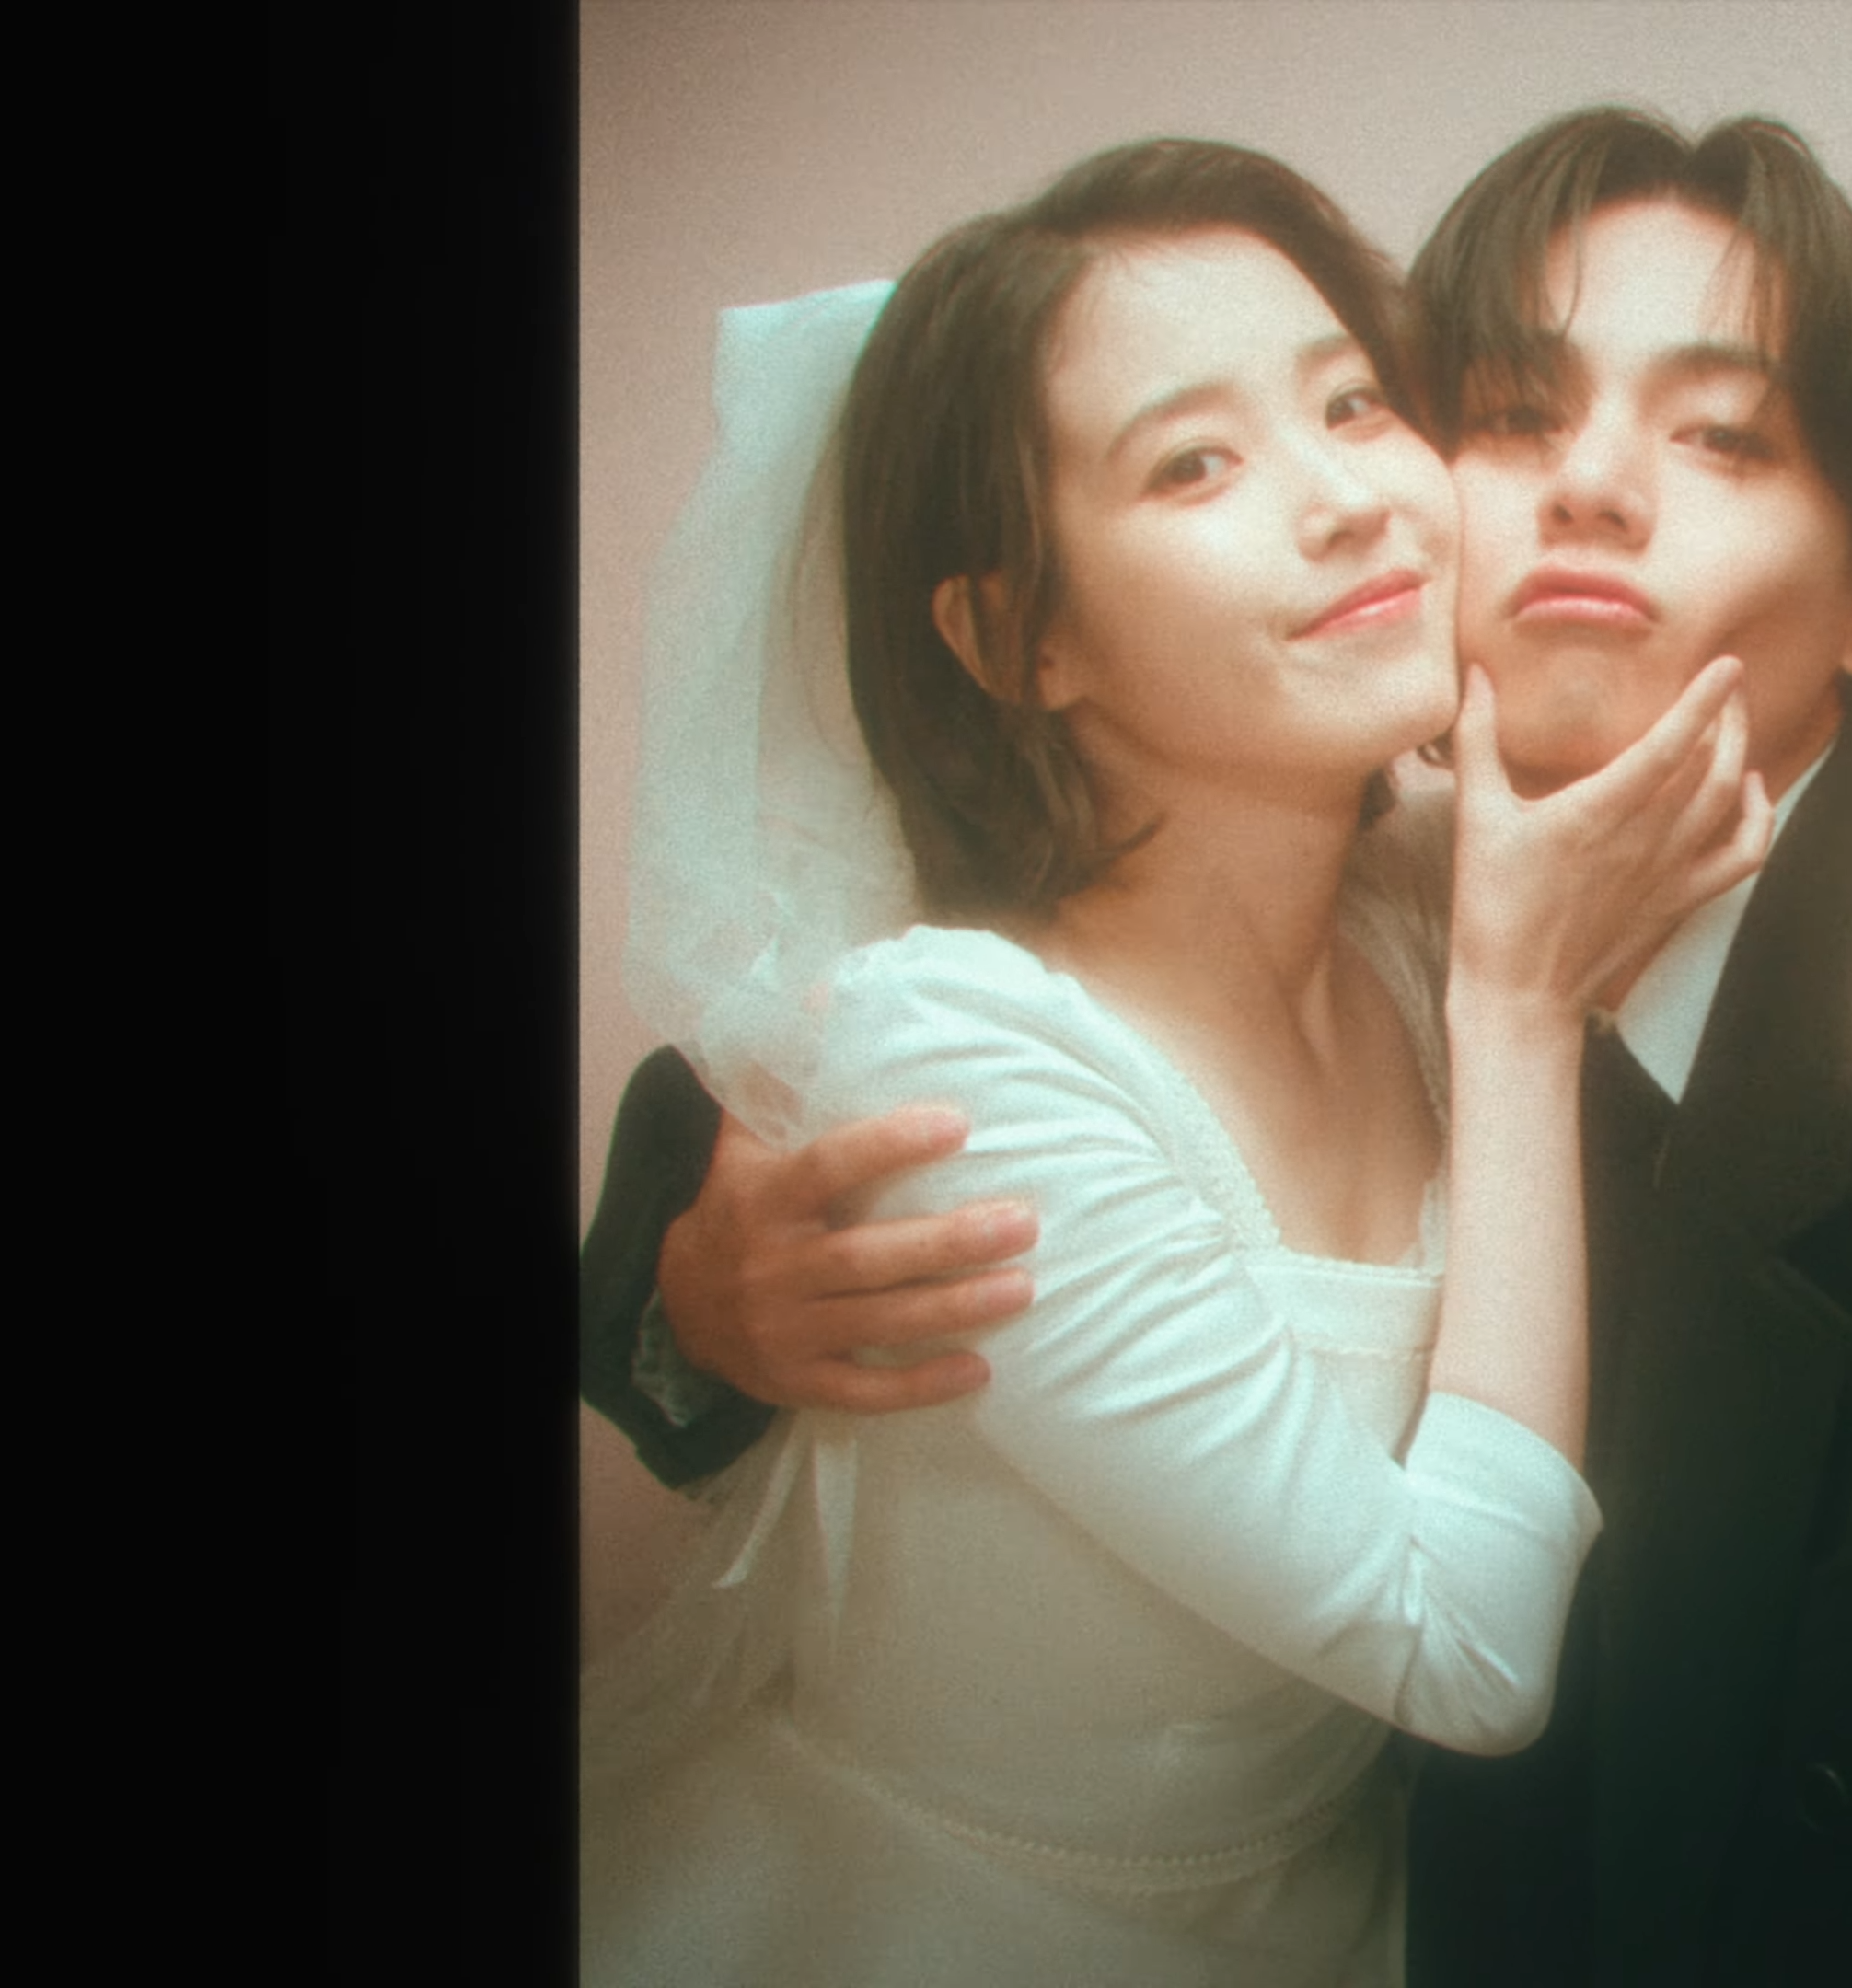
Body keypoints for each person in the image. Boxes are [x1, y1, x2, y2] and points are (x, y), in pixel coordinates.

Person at [605, 108, 1852, 1982]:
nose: (1586, 488)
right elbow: (735, 1114)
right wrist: (683, 1302)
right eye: (1513, 413)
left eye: (1722, 435)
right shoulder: (1393, 918)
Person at [578, 138, 1780, 1986]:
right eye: (1194, 463)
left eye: (1356, 405)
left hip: (1334, 1911)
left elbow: (1784, 756)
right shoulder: (960, 1061)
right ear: (1021, 635)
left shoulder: (1411, 899)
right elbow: (1464, 1656)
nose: (1351, 501)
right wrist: (1521, 1012)